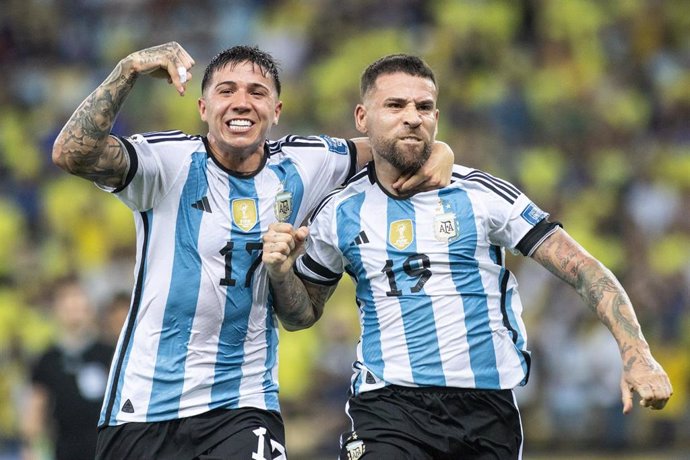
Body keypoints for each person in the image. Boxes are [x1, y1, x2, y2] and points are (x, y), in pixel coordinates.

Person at [50, 41, 454, 459]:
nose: (241, 103)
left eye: (257, 93)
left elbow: (394, 147)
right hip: (143, 407)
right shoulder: (168, 161)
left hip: (243, 406)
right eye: (226, 91)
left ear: (276, 112)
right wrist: (129, 68)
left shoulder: (306, 162)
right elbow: (71, 153)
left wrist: (440, 150)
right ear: (203, 108)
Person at [261, 53, 673, 459]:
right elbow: (302, 316)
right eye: (395, 105)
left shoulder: (481, 194)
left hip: (485, 408)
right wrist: (281, 274)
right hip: (387, 405)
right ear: (362, 118)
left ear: (436, 119)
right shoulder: (338, 211)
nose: (412, 116)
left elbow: (584, 268)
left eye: (424, 107)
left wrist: (638, 354)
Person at [22, 276, 114, 460]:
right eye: (65, 299)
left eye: (77, 298)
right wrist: (31, 447)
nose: (72, 305)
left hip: (106, 450)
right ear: (56, 308)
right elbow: (36, 409)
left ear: (89, 306)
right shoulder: (47, 359)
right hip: (64, 450)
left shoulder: (109, 353)